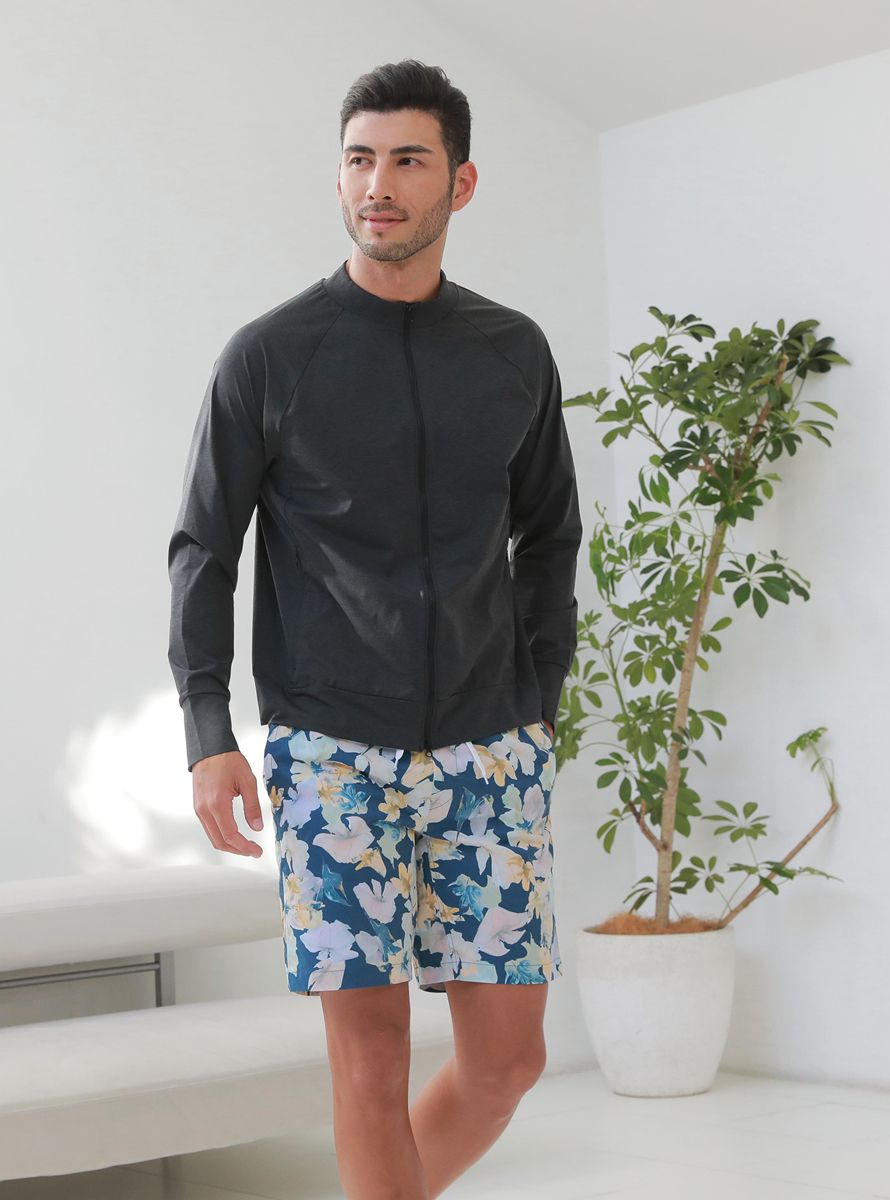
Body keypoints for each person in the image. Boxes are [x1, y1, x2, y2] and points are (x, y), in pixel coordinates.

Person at [167, 58, 582, 1200]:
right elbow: (204, 549)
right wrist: (209, 732)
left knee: (508, 1062)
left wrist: (538, 700)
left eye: (407, 160)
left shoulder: (512, 350)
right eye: (359, 159)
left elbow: (550, 537)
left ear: (462, 182)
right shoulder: (271, 354)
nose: (378, 185)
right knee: (371, 1066)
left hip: (491, 745)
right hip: (331, 751)